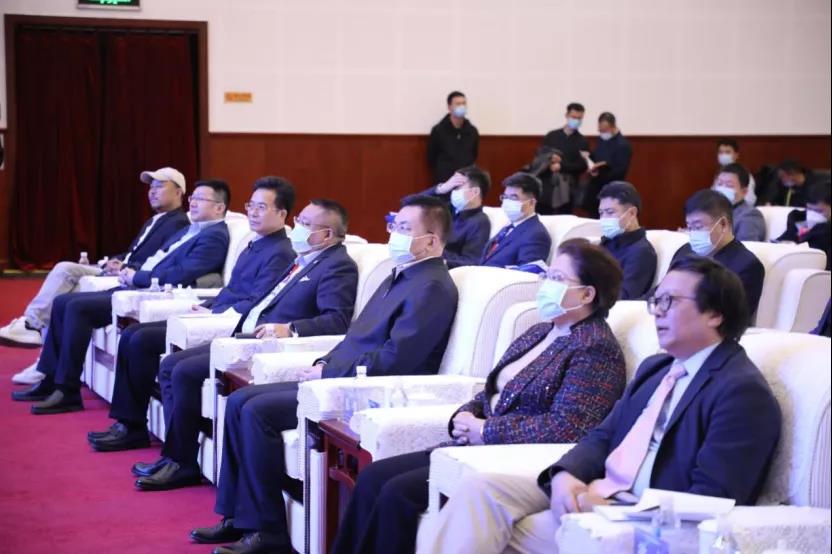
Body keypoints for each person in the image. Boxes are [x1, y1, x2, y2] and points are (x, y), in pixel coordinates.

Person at [422, 256, 781, 554]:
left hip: (638, 518)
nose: (657, 313)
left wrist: (614, 507)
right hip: (596, 489)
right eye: (656, 301)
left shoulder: (740, 392)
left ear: (715, 313)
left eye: (670, 302)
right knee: (481, 489)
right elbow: (603, 435)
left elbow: (712, 499)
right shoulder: (657, 368)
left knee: (491, 534)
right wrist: (566, 475)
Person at [189, 196, 459, 554]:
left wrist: (330, 371)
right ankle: (239, 518)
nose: (394, 234)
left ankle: (267, 531)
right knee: (239, 401)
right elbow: (355, 336)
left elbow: (397, 358)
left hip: (364, 388)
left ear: (431, 241)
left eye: (405, 229)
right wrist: (324, 361)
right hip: (337, 375)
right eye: (394, 225)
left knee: (256, 412)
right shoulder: (401, 274)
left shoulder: (432, 285)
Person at [332, 239, 628, 554]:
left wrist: (486, 430)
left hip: (505, 459)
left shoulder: (595, 348)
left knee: (396, 493)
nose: (546, 284)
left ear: (587, 294)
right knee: (373, 476)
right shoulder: (539, 331)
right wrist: (465, 415)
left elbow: (568, 427)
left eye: (557, 278)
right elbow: (494, 390)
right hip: (471, 446)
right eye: (547, 275)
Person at [126, 199, 360, 491]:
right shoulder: (302, 258)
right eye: (298, 220)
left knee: (184, 371)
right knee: (172, 364)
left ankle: (182, 463)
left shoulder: (338, 265)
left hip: (270, 345)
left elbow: (336, 320)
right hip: (243, 334)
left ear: (326, 234)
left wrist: (290, 328)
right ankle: (174, 456)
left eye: (305, 224)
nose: (297, 228)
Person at [86, 177, 299, 455]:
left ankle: (138, 430)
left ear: (282, 214)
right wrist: (209, 305)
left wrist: (215, 312)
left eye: (262, 207)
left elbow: (256, 301)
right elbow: (232, 290)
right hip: (217, 312)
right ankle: (129, 423)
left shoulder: (281, 252)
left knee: (142, 341)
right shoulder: (255, 244)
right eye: (251, 205)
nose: (253, 212)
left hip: (232, 324)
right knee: (133, 334)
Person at [11, 181, 232, 414]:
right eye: (192, 198)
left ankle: (67, 390)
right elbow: (158, 258)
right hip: (135, 283)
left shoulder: (214, 236)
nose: (193, 203)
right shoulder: (191, 230)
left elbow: (181, 274)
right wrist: (130, 269)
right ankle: (49, 378)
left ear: (219, 207)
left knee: (77, 308)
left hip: (151, 292)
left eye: (200, 199)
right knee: (62, 302)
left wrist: (138, 276)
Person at [0, 167, 189, 359]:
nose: (152, 191)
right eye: (151, 187)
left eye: (159, 186)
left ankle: (31, 325)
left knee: (65, 270)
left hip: (132, 276)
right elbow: (134, 253)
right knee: (60, 295)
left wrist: (126, 267)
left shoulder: (178, 223)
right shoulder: (155, 220)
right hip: (121, 269)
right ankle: (43, 354)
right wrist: (114, 260)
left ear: (178, 192)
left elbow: (161, 260)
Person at [670, 189, 764, 317]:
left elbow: (735, 317)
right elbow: (662, 289)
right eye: (690, 227)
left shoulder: (747, 265)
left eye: (698, 227)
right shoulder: (685, 251)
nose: (693, 234)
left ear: (723, 224)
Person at [405, 165, 491, 268]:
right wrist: (440, 189)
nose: (452, 191)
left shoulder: (480, 222)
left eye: (457, 187)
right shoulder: (447, 208)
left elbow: (471, 261)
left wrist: (437, 256)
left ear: (475, 192)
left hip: (443, 268)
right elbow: (410, 205)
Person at [597, 181, 657, 299]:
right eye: (601, 213)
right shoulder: (607, 242)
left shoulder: (642, 252)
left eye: (610, 212)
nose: (603, 219)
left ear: (632, 213)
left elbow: (624, 297)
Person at [480, 173, 552, 269]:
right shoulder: (509, 227)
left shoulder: (537, 235)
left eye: (513, 197)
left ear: (531, 202)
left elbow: (526, 274)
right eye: (505, 197)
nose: (507, 202)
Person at [427, 91, 479, 184]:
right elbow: (431, 157)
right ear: (449, 107)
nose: (462, 106)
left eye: (464, 103)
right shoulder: (438, 130)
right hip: (445, 180)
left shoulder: (472, 131)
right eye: (458, 104)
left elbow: (474, 154)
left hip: (466, 181)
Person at [776, 180, 831, 270]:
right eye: (809, 209)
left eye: (819, 211)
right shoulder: (797, 221)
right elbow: (782, 241)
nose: (812, 214)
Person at [585, 112, 632, 214]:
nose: (602, 133)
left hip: (611, 191)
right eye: (600, 130)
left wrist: (603, 169)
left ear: (613, 127)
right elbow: (596, 156)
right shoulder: (602, 140)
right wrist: (591, 162)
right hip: (595, 189)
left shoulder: (623, 145)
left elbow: (620, 171)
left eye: (604, 130)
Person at [712, 163, 766, 241]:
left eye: (729, 185)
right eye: (720, 184)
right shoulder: (711, 211)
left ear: (744, 192)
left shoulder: (750, 215)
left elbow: (746, 246)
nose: (722, 189)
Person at [540, 102, 590, 186]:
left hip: (570, 184)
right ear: (566, 115)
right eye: (574, 117)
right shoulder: (552, 136)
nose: (576, 121)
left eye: (579, 118)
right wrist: (550, 159)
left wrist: (562, 166)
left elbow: (582, 166)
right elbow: (540, 156)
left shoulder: (583, 141)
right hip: (548, 181)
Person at [525, 147, 572, 215]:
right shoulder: (541, 160)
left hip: (562, 191)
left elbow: (578, 166)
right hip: (542, 193)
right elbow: (535, 171)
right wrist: (548, 159)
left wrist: (561, 166)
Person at [714, 138, 757, 205]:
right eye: (721, 152)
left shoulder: (743, 175)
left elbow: (749, 201)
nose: (723, 155)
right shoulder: (719, 174)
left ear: (736, 155)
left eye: (727, 152)